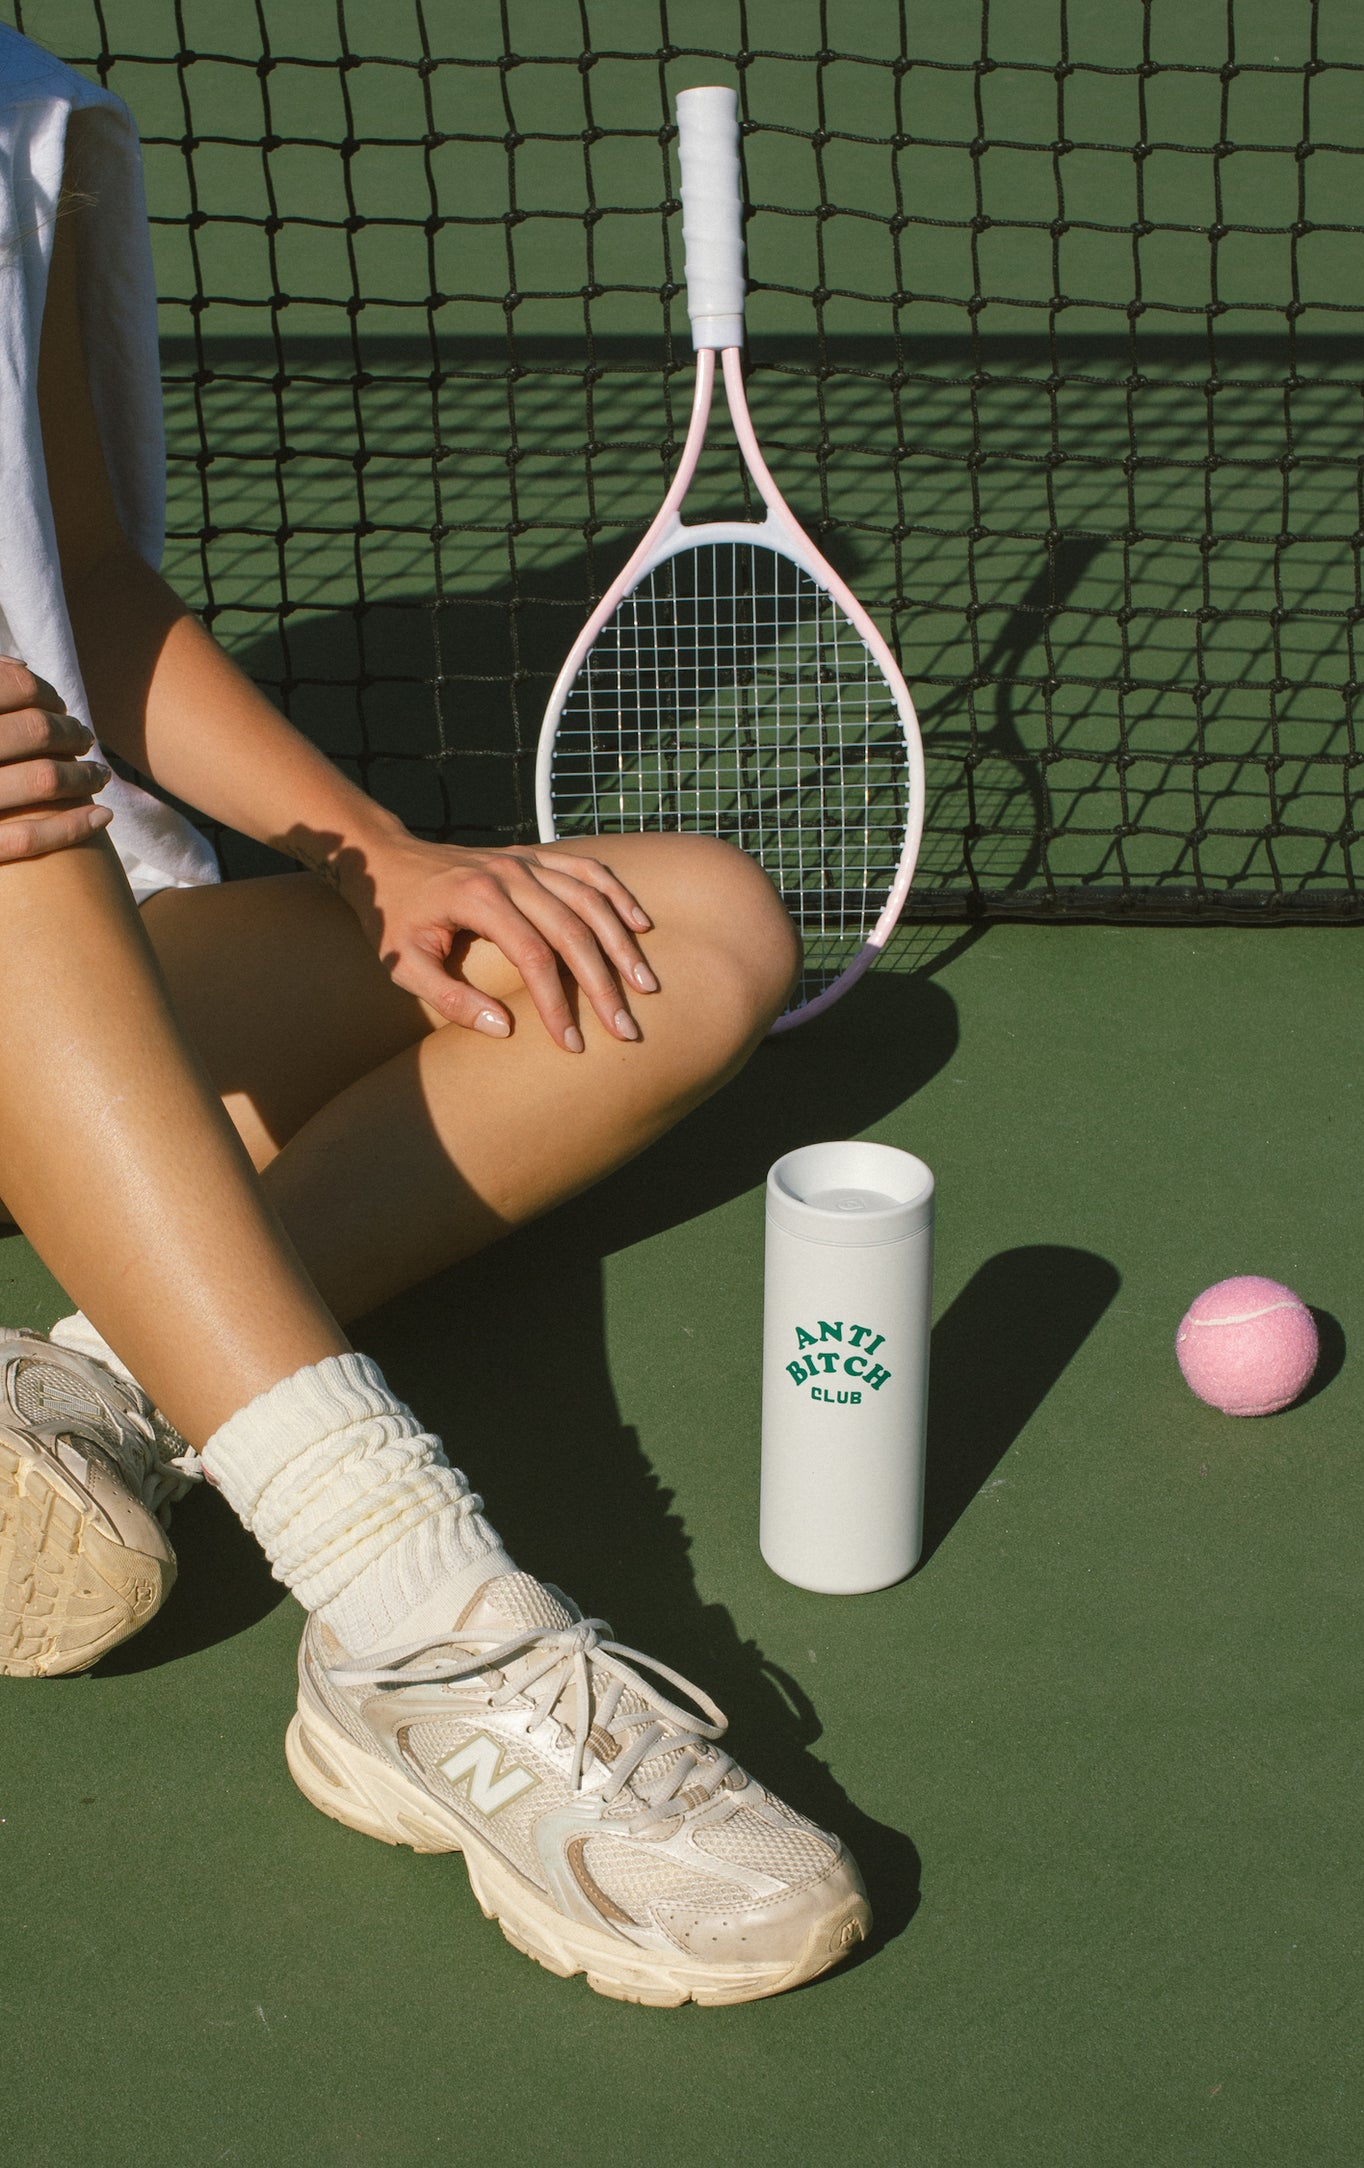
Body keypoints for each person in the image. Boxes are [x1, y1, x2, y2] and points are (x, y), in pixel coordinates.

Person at [0, 25, 869, 2005]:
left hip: (48, 973)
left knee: (685, 940)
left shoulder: (4, 104)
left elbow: (85, 590)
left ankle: (103, 1384)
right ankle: (423, 1626)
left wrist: (375, 853)